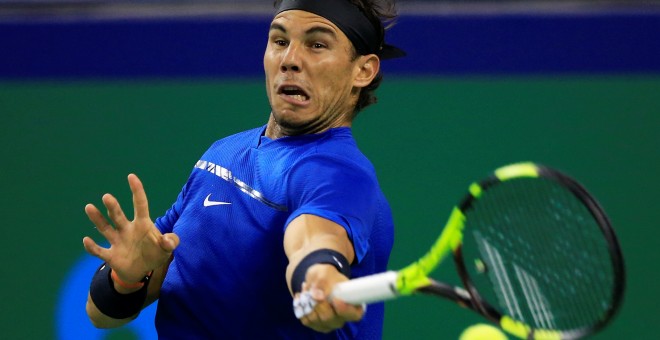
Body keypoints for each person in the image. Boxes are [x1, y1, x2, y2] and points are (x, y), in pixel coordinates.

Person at [82, 0, 405, 338]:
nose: (290, 60)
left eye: (317, 45)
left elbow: (315, 240)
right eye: (280, 41)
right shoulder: (224, 152)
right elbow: (102, 315)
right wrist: (127, 278)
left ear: (363, 71)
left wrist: (319, 274)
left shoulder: (340, 175)